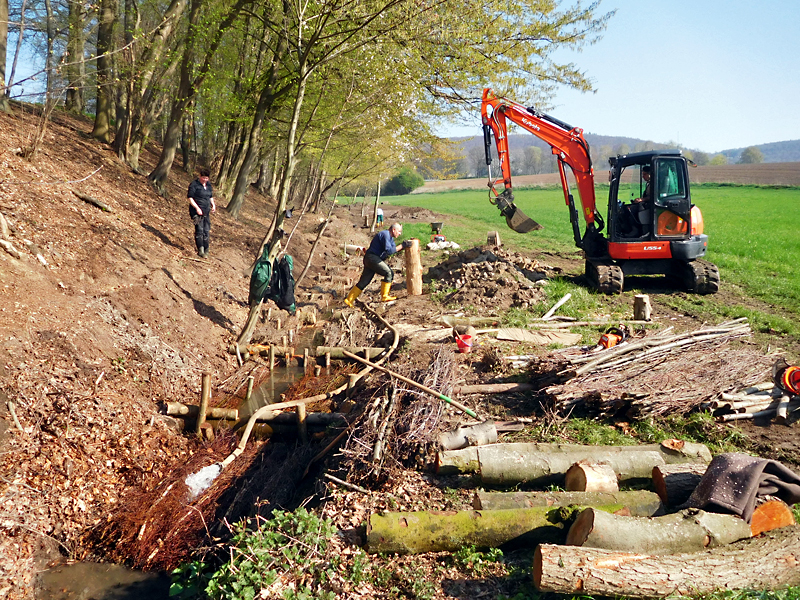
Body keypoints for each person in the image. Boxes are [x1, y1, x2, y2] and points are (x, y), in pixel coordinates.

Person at [344, 222, 411, 306]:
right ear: (394, 230)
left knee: (364, 281)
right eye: (399, 231)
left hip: (369, 258)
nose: (400, 233)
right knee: (389, 273)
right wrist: (402, 245)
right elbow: (389, 251)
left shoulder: (390, 238)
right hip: (373, 258)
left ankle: (349, 300)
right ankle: (385, 296)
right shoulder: (385, 235)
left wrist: (403, 246)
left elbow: (393, 249)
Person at [188, 168, 216, 257]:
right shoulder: (194, 185)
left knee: (206, 230)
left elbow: (210, 196)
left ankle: (207, 249)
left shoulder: (208, 185)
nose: (205, 180)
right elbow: (190, 198)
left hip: (206, 211)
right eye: (203, 177)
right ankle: (201, 250)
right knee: (199, 230)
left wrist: (213, 205)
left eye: (206, 178)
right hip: (197, 211)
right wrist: (197, 208)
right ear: (200, 176)